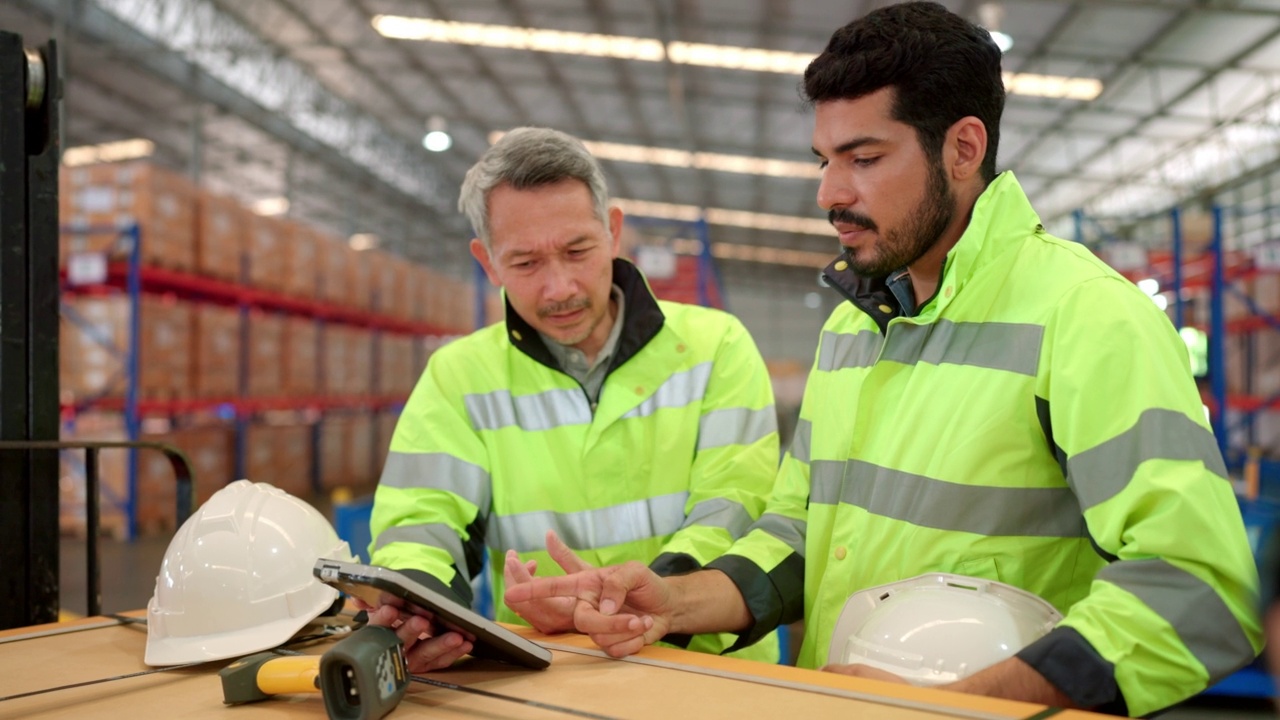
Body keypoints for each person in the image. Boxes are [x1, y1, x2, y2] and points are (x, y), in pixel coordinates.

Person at [505, 3, 1263, 715]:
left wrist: (959, 704)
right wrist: (676, 602)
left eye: (863, 158)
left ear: (962, 149)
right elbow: (801, 532)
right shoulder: (854, 329)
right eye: (824, 159)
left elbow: (1197, 587)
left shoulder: (1087, 318)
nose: (829, 191)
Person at [363, 126, 782, 673]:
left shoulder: (715, 347)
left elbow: (736, 504)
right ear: (487, 263)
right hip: (555, 672)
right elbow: (420, 521)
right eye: (526, 264)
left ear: (613, 232)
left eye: (577, 250)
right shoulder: (459, 376)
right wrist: (418, 609)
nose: (559, 288)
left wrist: (650, 598)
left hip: (712, 670)